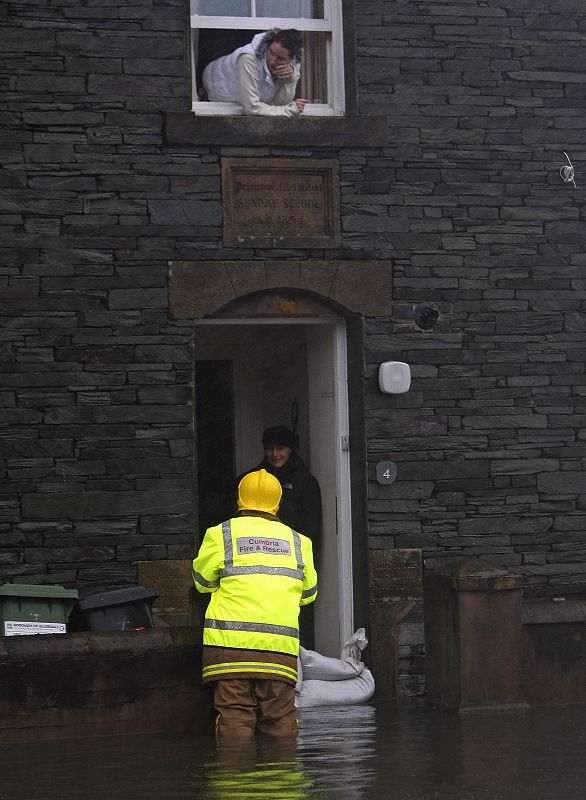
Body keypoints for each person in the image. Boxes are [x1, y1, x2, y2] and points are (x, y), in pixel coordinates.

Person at [192, 469, 318, 738]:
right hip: (279, 650)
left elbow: (202, 582)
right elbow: (309, 595)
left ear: (239, 500)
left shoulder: (220, 533)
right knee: (280, 720)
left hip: (229, 646)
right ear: (278, 502)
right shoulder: (299, 542)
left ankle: (235, 775)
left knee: (234, 715)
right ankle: (282, 776)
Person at [242, 426, 322, 548]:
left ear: (290, 450)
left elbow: (311, 527)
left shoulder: (305, 481)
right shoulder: (252, 478)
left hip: (290, 549)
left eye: (280, 449)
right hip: (256, 546)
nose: (275, 454)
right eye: (270, 449)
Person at [202, 28, 307, 116]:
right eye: (271, 52)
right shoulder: (248, 58)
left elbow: (278, 103)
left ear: (291, 60)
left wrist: (289, 80)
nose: (272, 60)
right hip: (210, 88)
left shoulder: (294, 62)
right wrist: (288, 110)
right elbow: (251, 108)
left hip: (237, 99)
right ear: (267, 45)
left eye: (280, 58)